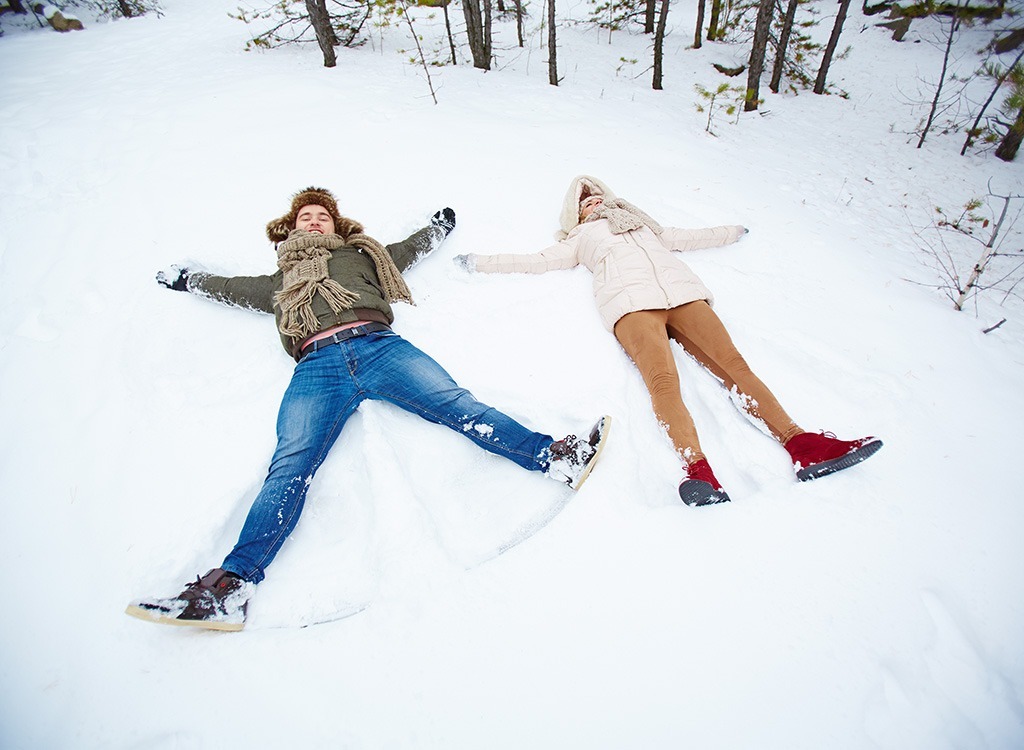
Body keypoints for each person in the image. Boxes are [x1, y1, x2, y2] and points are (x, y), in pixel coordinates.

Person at [125, 186, 610, 632]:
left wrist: (436, 228)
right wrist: (191, 280)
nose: (313, 222)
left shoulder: (361, 256)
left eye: (322, 217)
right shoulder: (278, 282)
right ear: (291, 230)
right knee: (290, 465)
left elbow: (405, 252)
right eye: (305, 218)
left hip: (379, 346)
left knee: (458, 406)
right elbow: (229, 287)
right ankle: (228, 590)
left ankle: (556, 458)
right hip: (317, 366)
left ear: (336, 227)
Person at [453, 175, 881, 508]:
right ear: (577, 214)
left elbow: (691, 236)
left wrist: (733, 230)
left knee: (736, 367)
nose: (594, 200)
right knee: (663, 381)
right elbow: (536, 262)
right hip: (632, 308)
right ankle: (698, 470)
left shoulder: (644, 226)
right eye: (585, 200)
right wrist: (480, 262)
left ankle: (803, 444)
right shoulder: (580, 239)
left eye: (598, 193)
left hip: (685, 298)